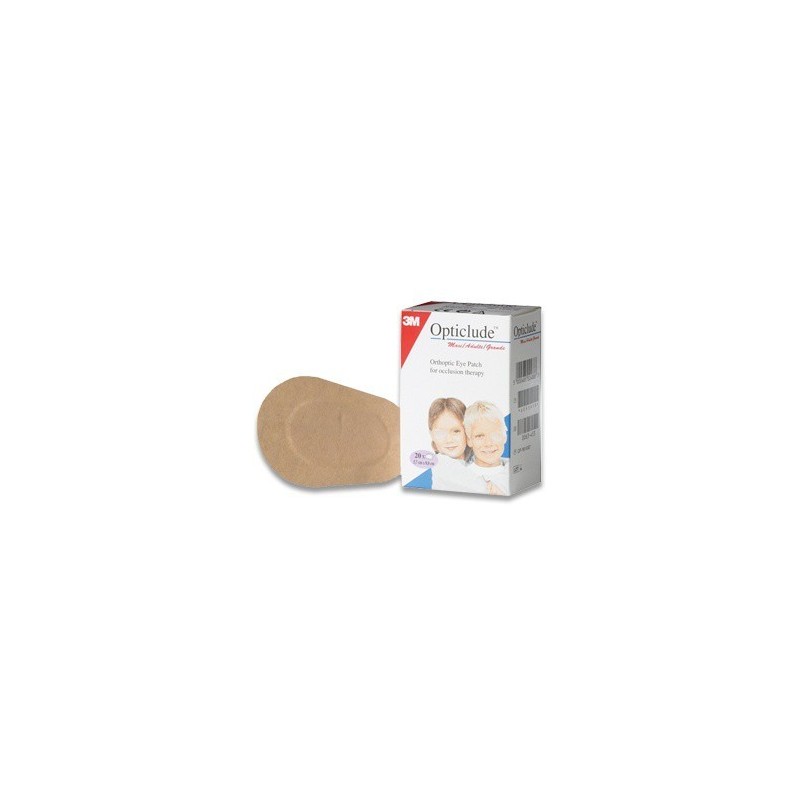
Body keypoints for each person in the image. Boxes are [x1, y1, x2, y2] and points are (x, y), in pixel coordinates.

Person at [428, 398, 483, 492]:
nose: (449, 440)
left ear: (467, 431)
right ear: (432, 435)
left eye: (456, 431)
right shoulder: (441, 464)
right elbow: (483, 488)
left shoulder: (473, 458)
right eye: (441, 432)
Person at [464, 401, 509, 495]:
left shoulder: (517, 473)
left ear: (504, 436)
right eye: (480, 436)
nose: (488, 443)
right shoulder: (462, 476)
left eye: (494, 434)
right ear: (469, 440)